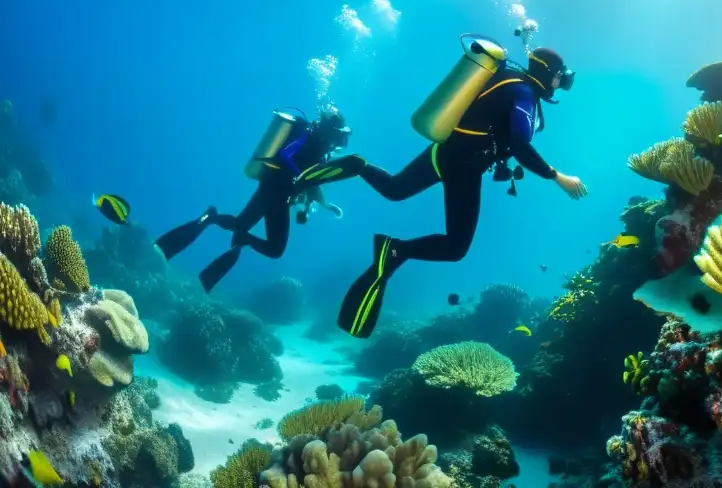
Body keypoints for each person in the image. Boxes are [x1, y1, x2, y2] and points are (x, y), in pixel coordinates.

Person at [292, 46, 587, 339]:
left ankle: (358, 166)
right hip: (464, 165)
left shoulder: (507, 76)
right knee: (455, 248)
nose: (561, 83)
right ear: (547, 73)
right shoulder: (524, 93)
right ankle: (395, 251)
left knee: (395, 189)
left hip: (443, 150)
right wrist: (556, 176)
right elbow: (520, 144)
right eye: (560, 76)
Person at [154, 109, 353, 292]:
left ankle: (211, 217)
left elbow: (312, 184)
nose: (339, 140)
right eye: (338, 134)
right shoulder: (308, 137)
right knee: (275, 249)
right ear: (330, 130)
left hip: (269, 187)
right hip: (277, 193)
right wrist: (296, 176)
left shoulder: (321, 149)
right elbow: (286, 154)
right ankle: (243, 240)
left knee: (240, 224)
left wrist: (320, 206)